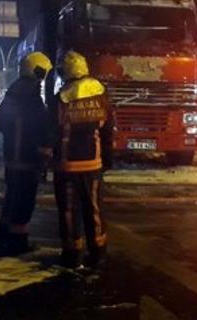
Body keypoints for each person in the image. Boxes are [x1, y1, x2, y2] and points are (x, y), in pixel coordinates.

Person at [52, 50, 114, 268]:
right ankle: (98, 252)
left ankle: (72, 254)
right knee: (94, 209)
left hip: (67, 166)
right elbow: (108, 130)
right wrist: (107, 159)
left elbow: (52, 132)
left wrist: (49, 160)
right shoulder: (100, 94)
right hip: (93, 164)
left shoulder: (61, 98)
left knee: (69, 211)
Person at [0, 51, 53, 255]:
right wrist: (42, 147)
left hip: (12, 156)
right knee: (24, 202)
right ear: (38, 71)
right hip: (27, 158)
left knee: (12, 198)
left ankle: (3, 237)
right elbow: (40, 125)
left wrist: (12, 136)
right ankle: (18, 243)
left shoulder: (14, 90)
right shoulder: (31, 94)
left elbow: (0, 116)